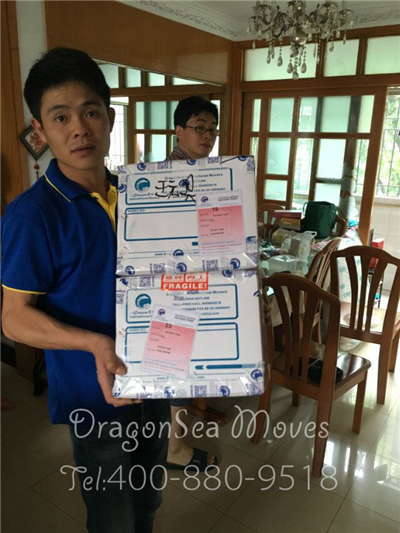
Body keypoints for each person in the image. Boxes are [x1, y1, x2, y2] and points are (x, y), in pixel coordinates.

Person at [1, 47, 170, 533]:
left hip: (157, 378)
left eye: (90, 112)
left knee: (149, 500)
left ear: (110, 118)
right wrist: (94, 343)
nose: (79, 129)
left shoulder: (141, 197)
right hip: (95, 397)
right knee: (112, 517)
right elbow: (13, 318)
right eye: (61, 117)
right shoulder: (32, 216)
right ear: (40, 130)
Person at [165, 96, 220, 471]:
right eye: (200, 127)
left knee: (181, 366)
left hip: (196, 286)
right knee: (176, 368)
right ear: (179, 131)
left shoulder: (206, 172)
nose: (208, 136)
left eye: (213, 129)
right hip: (174, 289)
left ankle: (170, 441)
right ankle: (174, 448)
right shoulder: (167, 176)